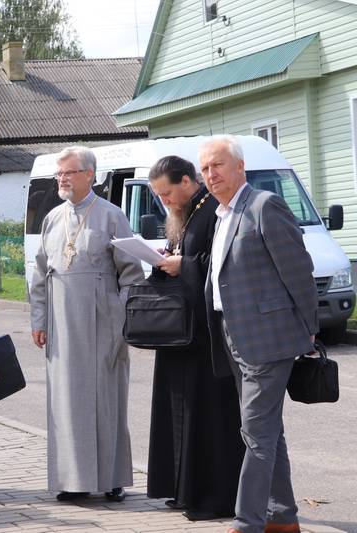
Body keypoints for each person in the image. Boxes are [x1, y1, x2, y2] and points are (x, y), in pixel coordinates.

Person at [199, 135, 317, 533]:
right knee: (267, 433)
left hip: (268, 339)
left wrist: (309, 330)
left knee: (255, 434)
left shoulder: (264, 206)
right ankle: (282, 518)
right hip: (233, 337)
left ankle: (246, 523)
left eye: (217, 165)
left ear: (239, 167)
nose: (211, 175)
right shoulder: (221, 214)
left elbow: (298, 272)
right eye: (205, 169)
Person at [29, 146, 144, 502]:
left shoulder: (111, 215)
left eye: (68, 173)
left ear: (89, 175)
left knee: (106, 400)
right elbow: (38, 273)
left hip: (102, 320)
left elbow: (132, 273)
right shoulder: (51, 218)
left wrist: (119, 315)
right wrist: (39, 318)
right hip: (62, 324)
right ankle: (70, 480)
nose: (61, 179)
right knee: (65, 402)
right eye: (58, 174)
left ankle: (113, 480)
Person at [145, 156, 244, 520]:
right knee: (180, 411)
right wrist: (169, 257)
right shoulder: (190, 211)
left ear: (187, 183)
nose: (165, 201)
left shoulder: (210, 210)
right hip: (181, 331)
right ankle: (184, 490)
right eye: (159, 195)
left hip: (205, 334)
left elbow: (223, 262)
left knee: (208, 416)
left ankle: (216, 496)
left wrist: (182, 264)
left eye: (167, 193)